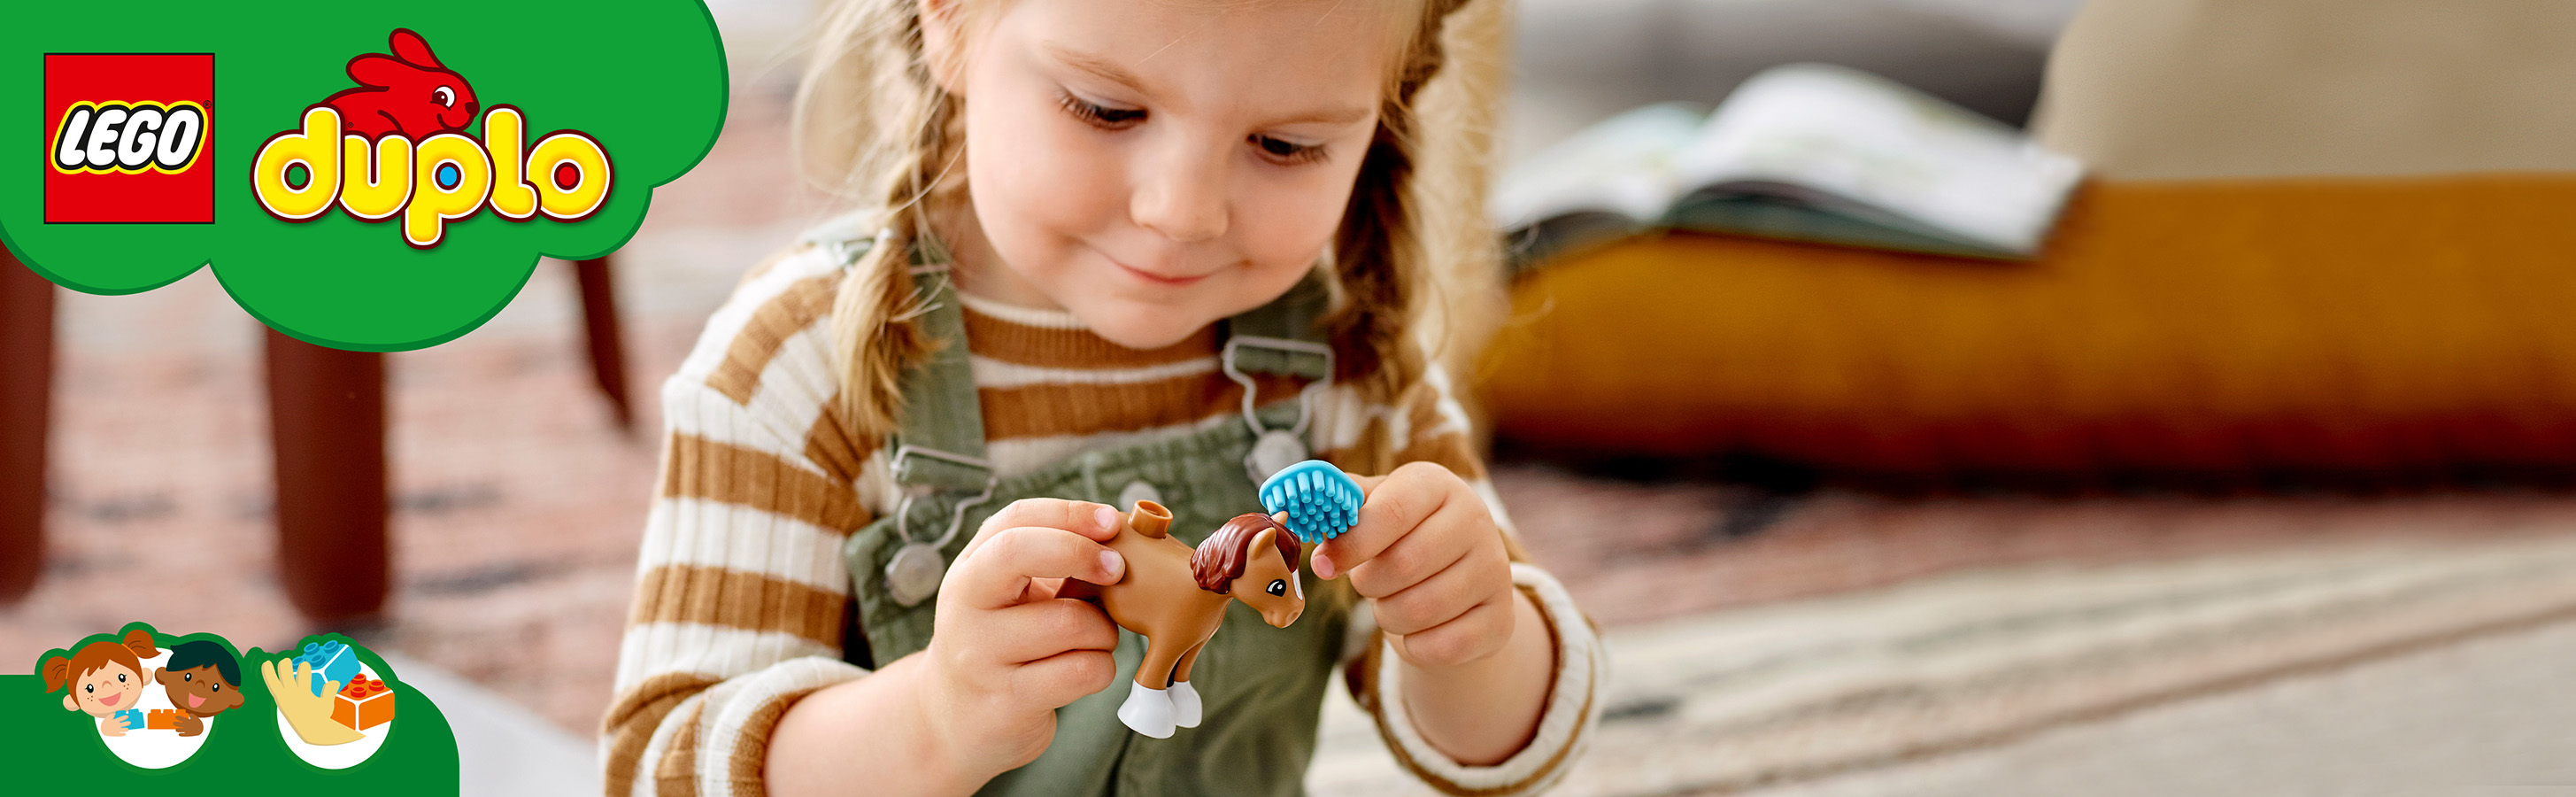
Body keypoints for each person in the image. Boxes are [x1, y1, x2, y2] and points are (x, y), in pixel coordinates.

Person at [602, 0, 1603, 794]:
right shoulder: (796, 364)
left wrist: (1470, 636)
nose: (1183, 212)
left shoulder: (1344, 361)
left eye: (1286, 145)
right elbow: (658, 768)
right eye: (1107, 109)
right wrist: (932, 725)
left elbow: (1513, 745)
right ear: (947, 18)